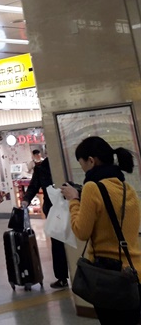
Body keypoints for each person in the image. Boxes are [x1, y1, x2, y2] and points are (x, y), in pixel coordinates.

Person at [62, 136, 141, 325]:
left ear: (91, 160)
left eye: (82, 164)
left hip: (109, 278)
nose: (83, 169)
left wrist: (74, 201)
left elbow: (81, 231)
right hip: (134, 273)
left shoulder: (92, 188)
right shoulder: (128, 188)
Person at [22, 149, 69, 289]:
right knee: (58, 243)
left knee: (70, 242)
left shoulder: (65, 165)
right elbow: (33, 187)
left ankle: (73, 275)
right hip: (54, 211)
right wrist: (26, 200)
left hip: (70, 208)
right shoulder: (41, 168)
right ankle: (62, 277)